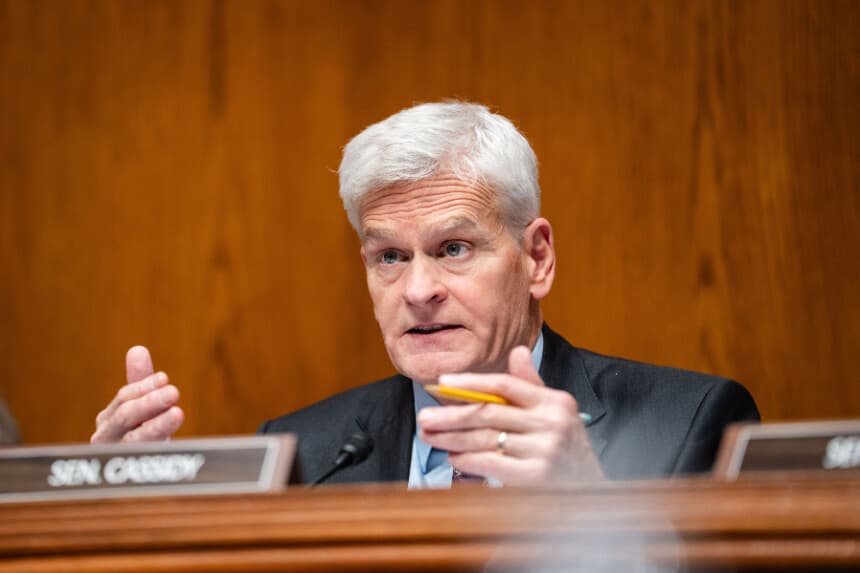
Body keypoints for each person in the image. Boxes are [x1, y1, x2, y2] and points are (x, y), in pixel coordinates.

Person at [91, 102, 759, 486]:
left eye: (453, 249)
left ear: (537, 258)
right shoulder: (303, 452)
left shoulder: (689, 427)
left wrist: (593, 523)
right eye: (389, 256)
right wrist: (121, 511)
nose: (417, 290)